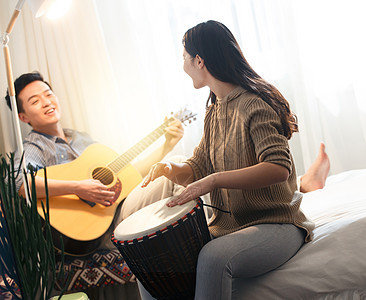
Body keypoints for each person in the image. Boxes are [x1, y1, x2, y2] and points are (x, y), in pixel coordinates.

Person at [142, 20, 330, 299]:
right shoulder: (214, 112)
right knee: (154, 266)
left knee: (213, 258)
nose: (182, 66)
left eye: (184, 58)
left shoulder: (255, 104)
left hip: (275, 224)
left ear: (199, 60)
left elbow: (278, 168)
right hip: (229, 229)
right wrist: (170, 168)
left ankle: (307, 183)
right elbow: (198, 168)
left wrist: (214, 179)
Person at [4, 71, 186, 247]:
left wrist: (167, 146)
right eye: (35, 101)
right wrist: (77, 188)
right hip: (87, 232)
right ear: (23, 117)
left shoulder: (81, 138)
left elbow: (129, 175)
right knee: (177, 167)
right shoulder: (35, 147)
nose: (46, 103)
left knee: (174, 166)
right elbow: (19, 184)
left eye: (48, 94)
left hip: (117, 210)